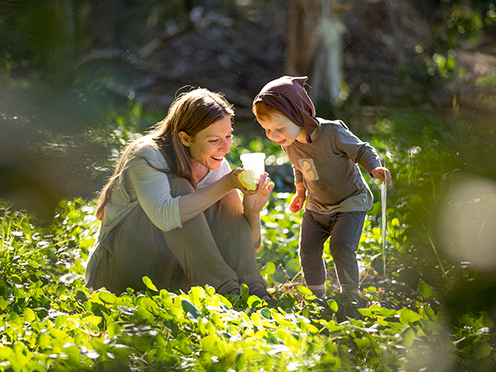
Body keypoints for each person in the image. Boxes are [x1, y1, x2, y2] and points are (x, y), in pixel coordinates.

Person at [85, 87, 274, 301]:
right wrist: (226, 184)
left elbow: (250, 246)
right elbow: (165, 217)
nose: (226, 147)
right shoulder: (148, 156)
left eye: (228, 136)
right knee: (180, 189)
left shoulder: (215, 165)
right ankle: (227, 291)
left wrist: (252, 211)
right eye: (214, 140)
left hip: (176, 272)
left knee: (227, 195)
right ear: (185, 139)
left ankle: (254, 290)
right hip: (120, 273)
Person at [252, 76, 391, 295]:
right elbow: (298, 165)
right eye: (268, 130)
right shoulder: (287, 142)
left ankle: (350, 297)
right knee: (308, 249)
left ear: (299, 115)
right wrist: (300, 191)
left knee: (341, 247)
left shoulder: (332, 133)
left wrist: (374, 169)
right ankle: (318, 296)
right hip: (317, 206)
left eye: (279, 128)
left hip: (349, 201)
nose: (274, 136)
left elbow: (362, 149)